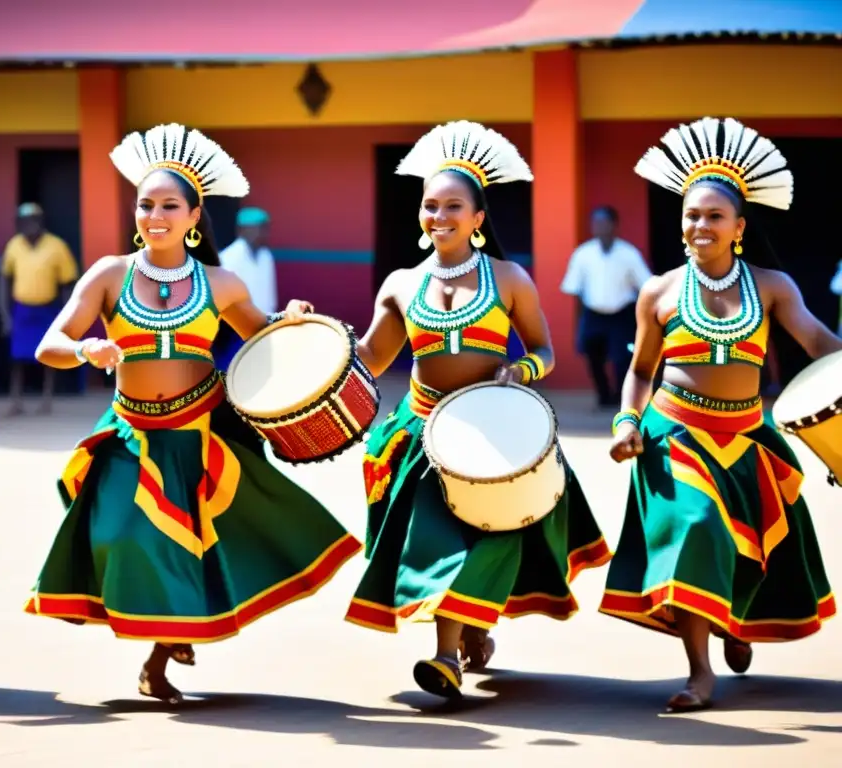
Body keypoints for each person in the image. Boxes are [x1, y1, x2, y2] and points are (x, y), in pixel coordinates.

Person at [24, 123, 361, 704]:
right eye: (146, 203)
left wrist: (294, 320)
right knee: (117, 536)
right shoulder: (108, 274)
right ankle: (168, 634)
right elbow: (47, 345)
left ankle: (158, 659)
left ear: (194, 214)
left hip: (200, 434)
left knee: (183, 548)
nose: (156, 215)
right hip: (131, 433)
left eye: (169, 205)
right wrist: (86, 349)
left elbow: (264, 342)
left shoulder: (221, 283)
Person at [343, 120, 612, 699]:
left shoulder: (510, 279)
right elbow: (369, 355)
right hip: (424, 434)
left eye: (453, 206)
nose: (439, 216)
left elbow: (544, 349)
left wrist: (523, 370)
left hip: (499, 433)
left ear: (478, 218)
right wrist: (314, 336)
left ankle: (456, 644)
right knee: (440, 542)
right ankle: (453, 648)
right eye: (430, 205)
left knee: (494, 534)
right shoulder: (399, 284)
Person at [602, 117, 840, 713]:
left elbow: (819, 344)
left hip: (747, 437)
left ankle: (732, 617)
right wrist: (627, 423)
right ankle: (700, 671)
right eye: (690, 214)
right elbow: (639, 370)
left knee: (745, 541)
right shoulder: (658, 291)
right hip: (673, 434)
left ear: (738, 227)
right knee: (699, 527)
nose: (699, 225)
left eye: (713, 216)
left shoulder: (774, 287)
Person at [560, 206, 652, 408]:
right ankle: (603, 396)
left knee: (623, 359)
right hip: (593, 314)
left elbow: (647, 286)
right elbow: (574, 289)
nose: (599, 227)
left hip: (622, 314)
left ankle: (621, 398)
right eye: (596, 223)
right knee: (593, 357)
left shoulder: (629, 254)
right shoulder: (583, 254)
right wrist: (579, 324)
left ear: (614, 225)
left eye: (604, 223)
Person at [0, 202, 79, 415]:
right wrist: (5, 314)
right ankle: (16, 401)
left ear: (41, 222)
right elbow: (4, 279)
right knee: (17, 358)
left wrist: (67, 314)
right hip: (22, 309)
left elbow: (67, 283)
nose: (29, 224)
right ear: (19, 223)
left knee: (49, 355)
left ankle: (46, 399)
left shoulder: (57, 246)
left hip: (47, 308)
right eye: (25, 220)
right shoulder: (14, 245)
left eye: (34, 219)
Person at [213, 207, 276, 370]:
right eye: (258, 228)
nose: (263, 233)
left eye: (265, 228)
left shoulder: (265, 256)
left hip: (264, 328)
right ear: (242, 230)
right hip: (235, 333)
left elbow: (269, 298)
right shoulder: (228, 258)